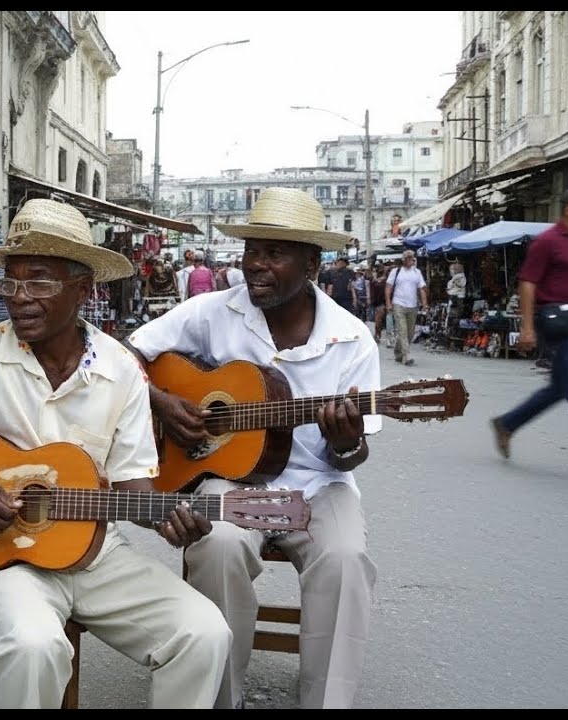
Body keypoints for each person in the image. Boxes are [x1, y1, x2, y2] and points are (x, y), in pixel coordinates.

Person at [0, 197, 232, 710]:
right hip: (8, 563)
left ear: (83, 289)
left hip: (99, 556)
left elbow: (133, 482)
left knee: (205, 633)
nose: (20, 298)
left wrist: (167, 514)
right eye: (12, 281)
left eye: (41, 281)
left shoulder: (121, 370)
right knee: (34, 645)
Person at [125, 187, 381, 709]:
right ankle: (222, 698)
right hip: (231, 480)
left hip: (319, 484)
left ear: (312, 262)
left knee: (347, 559)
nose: (256, 266)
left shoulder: (353, 339)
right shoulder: (210, 311)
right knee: (217, 544)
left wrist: (345, 442)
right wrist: (163, 401)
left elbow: (351, 457)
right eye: (251, 251)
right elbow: (123, 355)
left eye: (275, 253)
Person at [491, 187, 568, 482]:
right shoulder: (548, 241)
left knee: (561, 386)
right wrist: (527, 327)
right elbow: (528, 283)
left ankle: (508, 423)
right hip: (554, 321)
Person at [385, 249, 428, 366]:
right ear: (404, 260)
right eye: (408, 258)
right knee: (402, 330)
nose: (410, 260)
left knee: (410, 332)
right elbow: (388, 287)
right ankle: (406, 356)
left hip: (413, 306)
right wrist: (388, 302)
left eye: (412, 258)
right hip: (398, 304)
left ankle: (398, 352)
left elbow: (422, 289)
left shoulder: (417, 272)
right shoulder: (396, 271)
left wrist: (425, 304)